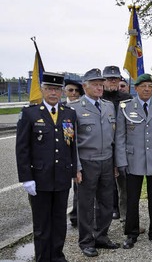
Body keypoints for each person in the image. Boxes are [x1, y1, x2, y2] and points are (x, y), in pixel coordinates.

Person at [16, 72, 77, 262]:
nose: (53, 92)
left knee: (59, 221)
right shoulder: (30, 113)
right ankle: (42, 258)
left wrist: (74, 171)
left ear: (62, 91)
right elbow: (22, 148)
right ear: (42, 90)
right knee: (42, 223)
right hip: (39, 178)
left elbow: (71, 144)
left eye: (57, 89)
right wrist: (26, 177)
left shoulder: (69, 113)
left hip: (62, 177)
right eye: (49, 88)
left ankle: (57, 256)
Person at [115, 73, 152, 249]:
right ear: (136, 88)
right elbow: (120, 136)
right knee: (132, 199)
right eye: (143, 86)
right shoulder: (125, 107)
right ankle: (131, 234)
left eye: (150, 86)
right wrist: (121, 161)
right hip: (133, 160)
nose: (147, 89)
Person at [68, 69, 120, 257]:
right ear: (85, 86)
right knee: (86, 204)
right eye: (95, 84)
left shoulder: (107, 106)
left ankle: (101, 236)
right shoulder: (74, 109)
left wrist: (115, 163)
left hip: (106, 160)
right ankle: (86, 241)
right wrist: (77, 167)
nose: (100, 87)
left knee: (107, 202)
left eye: (101, 84)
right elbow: (71, 142)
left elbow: (113, 138)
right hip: (87, 162)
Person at [102, 66, 133, 222]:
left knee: (125, 188)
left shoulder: (127, 98)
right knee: (103, 189)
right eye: (109, 79)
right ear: (103, 80)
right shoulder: (98, 98)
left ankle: (127, 221)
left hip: (123, 148)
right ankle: (101, 226)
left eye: (115, 78)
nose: (112, 81)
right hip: (103, 148)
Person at [63, 78, 84, 228]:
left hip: (80, 153)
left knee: (79, 188)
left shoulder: (82, 107)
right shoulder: (62, 108)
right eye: (70, 90)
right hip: (63, 153)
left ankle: (76, 216)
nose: (74, 93)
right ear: (65, 91)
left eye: (77, 91)